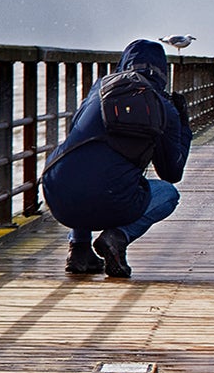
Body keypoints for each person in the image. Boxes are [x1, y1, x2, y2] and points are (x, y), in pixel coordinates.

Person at [42, 38, 192, 279]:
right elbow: (172, 173)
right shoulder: (163, 106)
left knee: (85, 164)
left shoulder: (99, 88)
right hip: (109, 199)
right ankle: (117, 237)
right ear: (164, 72)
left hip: (56, 194)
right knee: (167, 193)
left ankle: (79, 250)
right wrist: (183, 127)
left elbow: (75, 133)